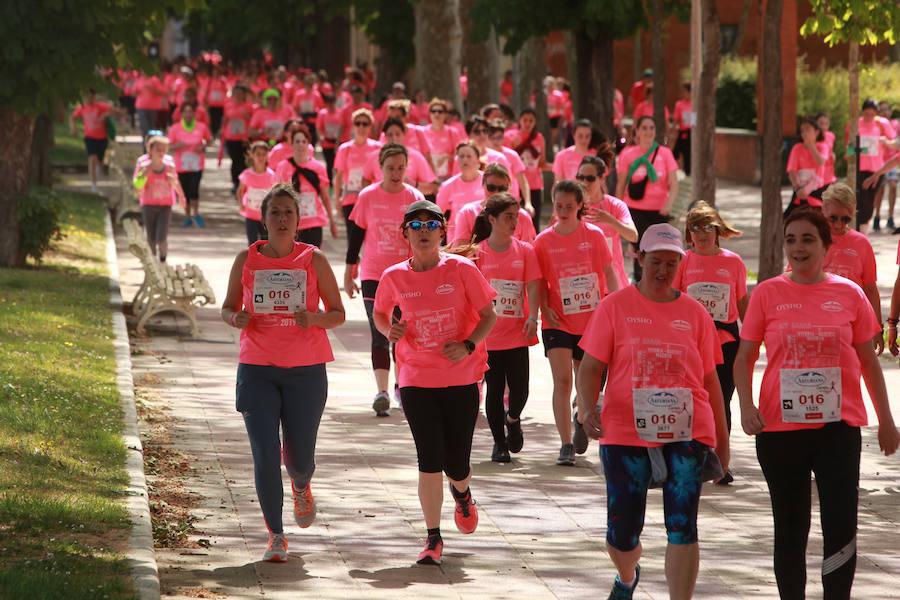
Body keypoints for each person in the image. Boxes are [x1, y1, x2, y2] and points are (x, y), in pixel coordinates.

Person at [734, 209, 899, 600]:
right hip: (779, 432)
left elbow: (869, 362)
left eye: (808, 239)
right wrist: (745, 407)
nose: (797, 247)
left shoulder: (849, 293)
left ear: (826, 246)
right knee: (791, 527)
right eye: (791, 239)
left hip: (838, 430)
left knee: (840, 527)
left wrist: (887, 421)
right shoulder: (768, 293)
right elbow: (743, 359)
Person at [575, 223, 730, 600]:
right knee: (622, 535)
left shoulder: (695, 314)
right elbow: (591, 367)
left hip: (687, 431)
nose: (663, 271)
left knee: (682, 525)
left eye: (672, 264)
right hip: (626, 430)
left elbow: (712, 384)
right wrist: (585, 410)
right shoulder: (614, 307)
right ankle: (627, 574)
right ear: (639, 258)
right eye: (656, 262)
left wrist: (723, 445)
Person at [221, 183, 345, 563]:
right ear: (264, 220)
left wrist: (315, 319)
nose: (281, 219)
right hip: (257, 368)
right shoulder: (247, 258)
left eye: (288, 213)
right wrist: (235, 317)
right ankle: (276, 534)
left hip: (306, 371)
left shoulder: (313, 260)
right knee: (264, 453)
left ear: (298, 221)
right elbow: (226, 308)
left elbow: (338, 313)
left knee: (298, 458)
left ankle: (302, 483)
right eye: (274, 212)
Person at [372, 200, 497, 566]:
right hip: (415, 376)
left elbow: (489, 314)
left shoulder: (461, 269)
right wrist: (389, 330)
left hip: (461, 375)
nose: (424, 231)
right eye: (416, 225)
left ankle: (463, 493)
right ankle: (432, 538)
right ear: (405, 233)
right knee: (429, 457)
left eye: (431, 225)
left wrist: (468, 344)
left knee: (455, 461)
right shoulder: (394, 276)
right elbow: (381, 313)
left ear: (442, 232)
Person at [533, 180, 618, 465]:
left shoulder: (593, 235)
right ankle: (565, 443)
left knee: (585, 380)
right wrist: (544, 306)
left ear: (580, 205)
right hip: (557, 320)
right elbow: (539, 281)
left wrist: (618, 306)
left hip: (590, 320)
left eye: (570, 206)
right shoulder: (543, 241)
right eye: (559, 207)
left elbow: (609, 271)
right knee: (562, 379)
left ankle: (581, 418)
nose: (564, 211)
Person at [345, 144, 426, 415]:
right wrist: (349, 271)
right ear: (380, 167)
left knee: (402, 335)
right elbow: (355, 235)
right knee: (380, 331)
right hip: (373, 275)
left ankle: (401, 387)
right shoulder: (368, 196)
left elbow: (426, 238)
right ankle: (381, 391)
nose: (396, 173)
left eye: (401, 168)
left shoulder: (414, 198)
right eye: (390, 168)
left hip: (407, 276)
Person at [673, 201, 747, 484]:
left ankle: (721, 462)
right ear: (689, 234)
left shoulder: (733, 262)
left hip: (725, 340)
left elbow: (742, 302)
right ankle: (691, 454)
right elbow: (674, 299)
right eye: (696, 228)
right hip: (690, 343)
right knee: (690, 399)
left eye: (707, 227)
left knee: (722, 401)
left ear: (717, 231)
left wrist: (754, 337)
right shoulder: (684, 260)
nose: (702, 234)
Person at [468, 193, 541, 462]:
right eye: (508, 217)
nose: (514, 221)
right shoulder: (478, 253)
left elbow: (533, 286)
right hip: (489, 336)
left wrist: (533, 317)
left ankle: (513, 419)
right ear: (492, 219)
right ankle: (499, 443)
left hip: (518, 332)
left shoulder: (525, 250)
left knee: (520, 389)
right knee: (494, 390)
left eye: (516, 216)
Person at [818, 183, 884, 354]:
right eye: (832, 218)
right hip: (817, 326)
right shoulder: (810, 240)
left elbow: (870, 288)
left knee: (851, 378)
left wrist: (877, 328)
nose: (839, 225)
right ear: (823, 210)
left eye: (845, 219)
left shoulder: (861, 244)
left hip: (853, 328)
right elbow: (792, 281)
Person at [616, 116, 679, 282]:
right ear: (637, 130)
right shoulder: (627, 154)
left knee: (657, 246)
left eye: (651, 128)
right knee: (641, 245)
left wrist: (668, 205)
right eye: (644, 128)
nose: (648, 132)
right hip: (634, 208)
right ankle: (640, 279)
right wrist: (617, 209)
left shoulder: (665, 154)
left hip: (659, 210)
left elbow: (674, 183)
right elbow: (621, 184)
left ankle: (656, 278)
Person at [576, 154, 638, 291]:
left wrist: (610, 220)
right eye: (580, 177)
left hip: (613, 283)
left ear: (602, 179)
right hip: (584, 285)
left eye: (590, 178)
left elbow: (633, 236)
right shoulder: (572, 207)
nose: (584, 182)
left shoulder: (616, 205)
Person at [274, 124, 339, 247]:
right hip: (290, 224)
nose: (300, 145)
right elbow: (276, 197)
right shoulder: (283, 166)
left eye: (304, 141)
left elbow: (325, 197)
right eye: (297, 141)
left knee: (311, 262)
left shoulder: (318, 167)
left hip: (314, 222)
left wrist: (332, 222)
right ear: (291, 144)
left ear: (308, 144)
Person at [452, 162, 535, 246]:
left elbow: (528, 250)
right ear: (483, 185)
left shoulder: (522, 216)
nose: (497, 192)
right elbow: (461, 250)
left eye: (502, 188)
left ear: (509, 187)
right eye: (491, 188)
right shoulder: (468, 212)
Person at [132, 134, 185, 262]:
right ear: (150, 150)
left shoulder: (169, 166)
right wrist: (144, 176)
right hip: (148, 204)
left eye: (164, 150)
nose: (161, 152)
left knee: (162, 236)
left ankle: (162, 258)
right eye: (158, 149)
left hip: (165, 205)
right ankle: (152, 261)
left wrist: (182, 196)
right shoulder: (144, 165)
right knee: (151, 237)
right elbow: (137, 186)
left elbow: (176, 182)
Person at [845, 98, 893, 233]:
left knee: (870, 201)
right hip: (859, 168)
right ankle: (857, 231)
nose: (869, 117)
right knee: (859, 200)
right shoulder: (855, 124)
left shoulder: (882, 124)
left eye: (872, 114)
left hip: (876, 169)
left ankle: (863, 232)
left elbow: (891, 144)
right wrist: (849, 153)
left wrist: (886, 142)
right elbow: (849, 146)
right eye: (866, 114)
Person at [363, 118, 436, 196]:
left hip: (407, 205)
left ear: (404, 134)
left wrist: (413, 184)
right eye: (390, 135)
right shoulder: (374, 156)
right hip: (381, 204)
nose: (394, 138)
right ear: (385, 136)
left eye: (397, 134)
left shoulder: (416, 156)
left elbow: (430, 188)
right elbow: (365, 181)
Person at [167, 102, 211, 227]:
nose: (188, 114)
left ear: (194, 113)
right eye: (185, 112)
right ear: (181, 114)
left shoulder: (202, 127)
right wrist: (177, 146)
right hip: (181, 165)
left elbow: (209, 140)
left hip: (197, 164)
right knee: (185, 192)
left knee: (194, 190)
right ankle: (187, 216)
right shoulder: (175, 128)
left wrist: (202, 146)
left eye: (190, 111)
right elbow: (168, 146)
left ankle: (196, 213)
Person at [505, 108, 548, 232]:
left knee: (534, 220)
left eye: (531, 120)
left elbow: (542, 163)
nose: (528, 123)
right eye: (525, 120)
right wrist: (514, 146)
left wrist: (557, 168)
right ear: (520, 121)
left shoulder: (539, 138)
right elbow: (507, 159)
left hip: (535, 185)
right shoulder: (510, 136)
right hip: (516, 185)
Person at [69, 89, 120, 193]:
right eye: (86, 97)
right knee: (92, 158)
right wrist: (73, 128)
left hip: (102, 138)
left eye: (91, 97)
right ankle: (93, 185)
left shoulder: (100, 106)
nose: (88, 99)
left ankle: (99, 167)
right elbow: (72, 117)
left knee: (99, 162)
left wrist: (104, 115)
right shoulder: (82, 107)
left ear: (94, 97)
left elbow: (115, 112)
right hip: (89, 137)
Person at [437, 142, 484, 243]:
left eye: (469, 156)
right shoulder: (447, 186)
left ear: (478, 159)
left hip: (483, 237)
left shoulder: (488, 181)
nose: (465, 159)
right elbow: (438, 214)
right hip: (457, 240)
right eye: (461, 156)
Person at [237, 141, 277, 245]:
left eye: (264, 154)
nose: (261, 157)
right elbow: (240, 190)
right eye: (258, 154)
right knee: (252, 243)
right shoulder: (247, 174)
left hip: (266, 217)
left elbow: (275, 194)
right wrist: (241, 204)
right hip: (251, 214)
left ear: (268, 155)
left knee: (266, 243)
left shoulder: (272, 175)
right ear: (252, 155)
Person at [486, 118, 531, 212]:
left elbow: (522, 180)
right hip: (489, 201)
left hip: (511, 200)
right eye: (492, 137)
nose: (495, 141)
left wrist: (528, 202)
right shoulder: (482, 156)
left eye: (499, 137)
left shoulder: (512, 155)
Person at [784, 118, 827, 214]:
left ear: (816, 132)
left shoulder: (822, 147)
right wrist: (798, 188)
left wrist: (811, 145)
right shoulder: (797, 148)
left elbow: (820, 162)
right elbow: (792, 172)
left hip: (816, 190)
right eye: (802, 130)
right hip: (799, 190)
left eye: (807, 129)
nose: (804, 133)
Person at [423, 98, 464, 185]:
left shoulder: (452, 132)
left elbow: (460, 155)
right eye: (433, 111)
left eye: (440, 111)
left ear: (445, 114)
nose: (436, 114)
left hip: (448, 178)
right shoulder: (422, 131)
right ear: (429, 114)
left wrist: (446, 157)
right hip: (428, 178)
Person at [223, 84, 254, 193]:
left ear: (244, 95)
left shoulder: (249, 106)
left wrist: (247, 117)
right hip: (231, 138)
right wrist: (222, 131)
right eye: (236, 93)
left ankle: (245, 184)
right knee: (235, 161)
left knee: (244, 162)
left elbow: (253, 122)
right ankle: (236, 183)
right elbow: (225, 119)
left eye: (240, 93)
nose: (238, 95)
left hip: (244, 139)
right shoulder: (228, 105)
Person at [552, 119, 597, 183]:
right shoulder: (561, 156)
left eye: (587, 136)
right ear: (573, 135)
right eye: (580, 136)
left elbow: (601, 184)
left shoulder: (596, 156)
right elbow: (558, 183)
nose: (584, 140)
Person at [316, 93, 343, 182]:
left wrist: (338, 143)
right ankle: (329, 182)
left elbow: (342, 127)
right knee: (329, 164)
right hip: (327, 143)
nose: (330, 105)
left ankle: (337, 181)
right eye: (328, 103)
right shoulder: (322, 113)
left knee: (338, 165)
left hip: (337, 142)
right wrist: (321, 137)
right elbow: (319, 127)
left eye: (332, 102)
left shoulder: (340, 113)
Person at [671, 83, 693, 175]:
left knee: (688, 154)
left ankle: (688, 172)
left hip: (692, 133)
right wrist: (673, 132)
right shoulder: (679, 104)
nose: (684, 93)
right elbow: (675, 120)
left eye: (685, 91)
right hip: (682, 132)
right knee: (675, 153)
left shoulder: (695, 104)